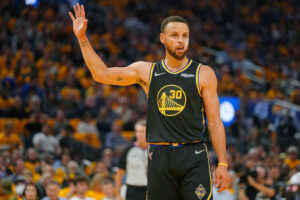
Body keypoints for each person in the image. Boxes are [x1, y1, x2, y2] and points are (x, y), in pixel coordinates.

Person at [69, 4, 229, 199]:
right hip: (159, 155)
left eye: (185, 36)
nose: (181, 41)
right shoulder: (148, 71)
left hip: (193, 154)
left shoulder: (204, 74)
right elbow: (101, 74)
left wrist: (222, 163)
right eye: (175, 35)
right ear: (162, 38)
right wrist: (82, 39)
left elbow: (214, 121)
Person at [115, 120, 148, 200]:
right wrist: (118, 195)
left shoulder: (154, 149)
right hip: (132, 190)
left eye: (142, 131)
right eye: (137, 131)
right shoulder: (128, 150)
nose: (139, 134)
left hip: (150, 189)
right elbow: (119, 174)